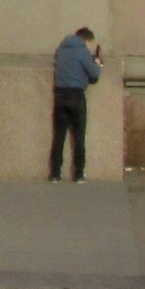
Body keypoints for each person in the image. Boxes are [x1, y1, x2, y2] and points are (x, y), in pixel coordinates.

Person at [50, 26, 103, 182]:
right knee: (78, 136)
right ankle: (79, 173)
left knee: (59, 136)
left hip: (60, 95)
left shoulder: (60, 50)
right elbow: (94, 74)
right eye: (89, 44)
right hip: (76, 96)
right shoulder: (82, 51)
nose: (90, 47)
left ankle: (55, 174)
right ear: (86, 40)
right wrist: (97, 63)